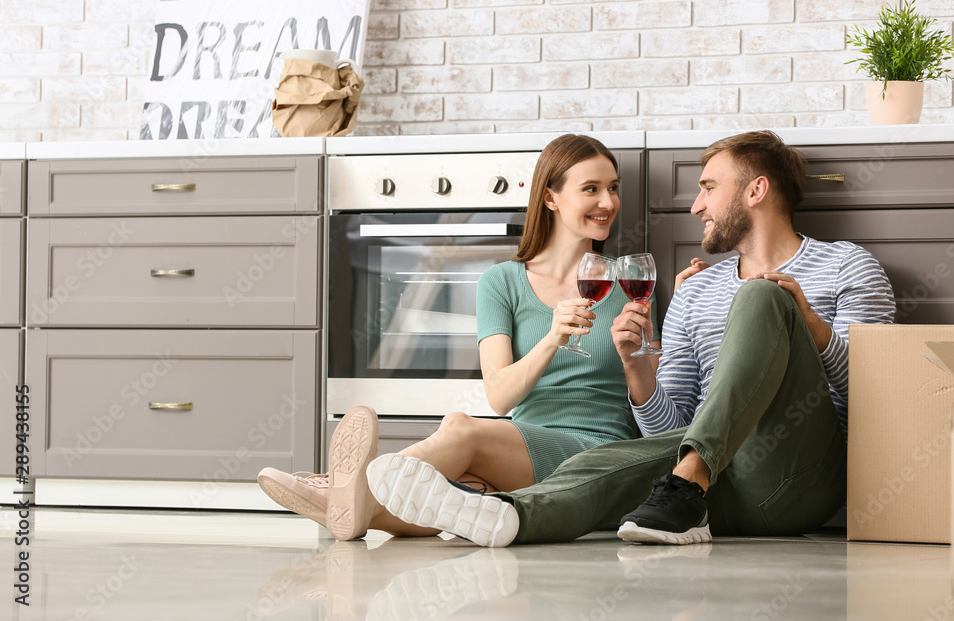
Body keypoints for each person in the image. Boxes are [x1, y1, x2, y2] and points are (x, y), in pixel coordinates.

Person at [364, 130, 897, 547]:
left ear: (756, 190)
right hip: (716, 489)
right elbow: (674, 424)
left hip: (799, 475)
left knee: (760, 297)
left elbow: (880, 396)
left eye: (708, 187)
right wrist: (636, 367)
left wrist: (808, 322)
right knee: (601, 464)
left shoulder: (847, 265)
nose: (695, 206)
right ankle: (508, 514)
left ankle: (686, 481)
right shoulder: (696, 289)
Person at [258, 134, 643, 540]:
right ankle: (355, 507)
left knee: (459, 427)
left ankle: (343, 489)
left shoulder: (630, 281)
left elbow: (650, 387)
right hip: (519, 450)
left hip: (596, 454)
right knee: (449, 499)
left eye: (613, 188)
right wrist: (551, 339)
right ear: (550, 198)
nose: (608, 202)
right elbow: (500, 397)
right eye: (591, 189)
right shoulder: (501, 282)